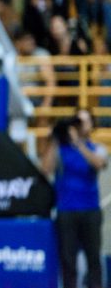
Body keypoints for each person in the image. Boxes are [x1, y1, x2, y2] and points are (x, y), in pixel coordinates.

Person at [41, 109, 108, 288]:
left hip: (90, 210)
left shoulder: (97, 148)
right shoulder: (60, 150)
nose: (81, 125)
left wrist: (78, 143)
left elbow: (99, 163)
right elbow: (45, 169)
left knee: (93, 258)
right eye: (78, 121)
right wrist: (55, 139)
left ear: (92, 125)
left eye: (85, 121)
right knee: (68, 260)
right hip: (66, 211)